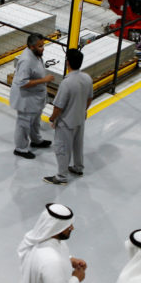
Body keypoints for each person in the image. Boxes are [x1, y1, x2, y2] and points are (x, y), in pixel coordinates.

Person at [44, 48, 92, 186]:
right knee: (78, 145)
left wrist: (52, 118)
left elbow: (58, 106)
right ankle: (78, 168)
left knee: (62, 148)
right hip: (80, 119)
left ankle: (61, 176)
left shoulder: (67, 83)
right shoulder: (87, 78)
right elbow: (89, 98)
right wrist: (82, 110)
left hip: (66, 122)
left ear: (67, 63)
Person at [9, 33, 53, 159]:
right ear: (32, 47)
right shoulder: (26, 61)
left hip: (34, 97)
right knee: (24, 123)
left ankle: (36, 140)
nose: (43, 48)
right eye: (40, 46)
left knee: (35, 121)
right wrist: (44, 80)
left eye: (43, 45)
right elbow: (23, 83)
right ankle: (20, 148)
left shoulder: (35, 54)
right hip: (26, 99)